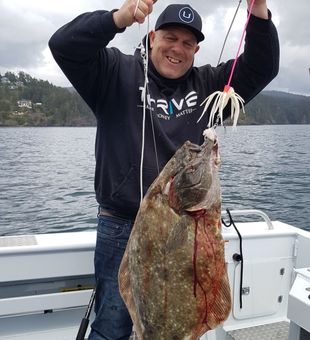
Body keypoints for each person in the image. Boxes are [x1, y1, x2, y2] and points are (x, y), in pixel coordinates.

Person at [49, 0, 279, 339]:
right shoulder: (114, 72)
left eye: (188, 43)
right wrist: (118, 19)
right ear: (152, 36)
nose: (177, 49)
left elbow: (262, 66)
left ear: (196, 50)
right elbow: (64, 46)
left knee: (179, 325)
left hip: (187, 232)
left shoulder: (209, 86)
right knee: (112, 324)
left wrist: (258, 12)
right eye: (170, 37)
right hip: (120, 226)